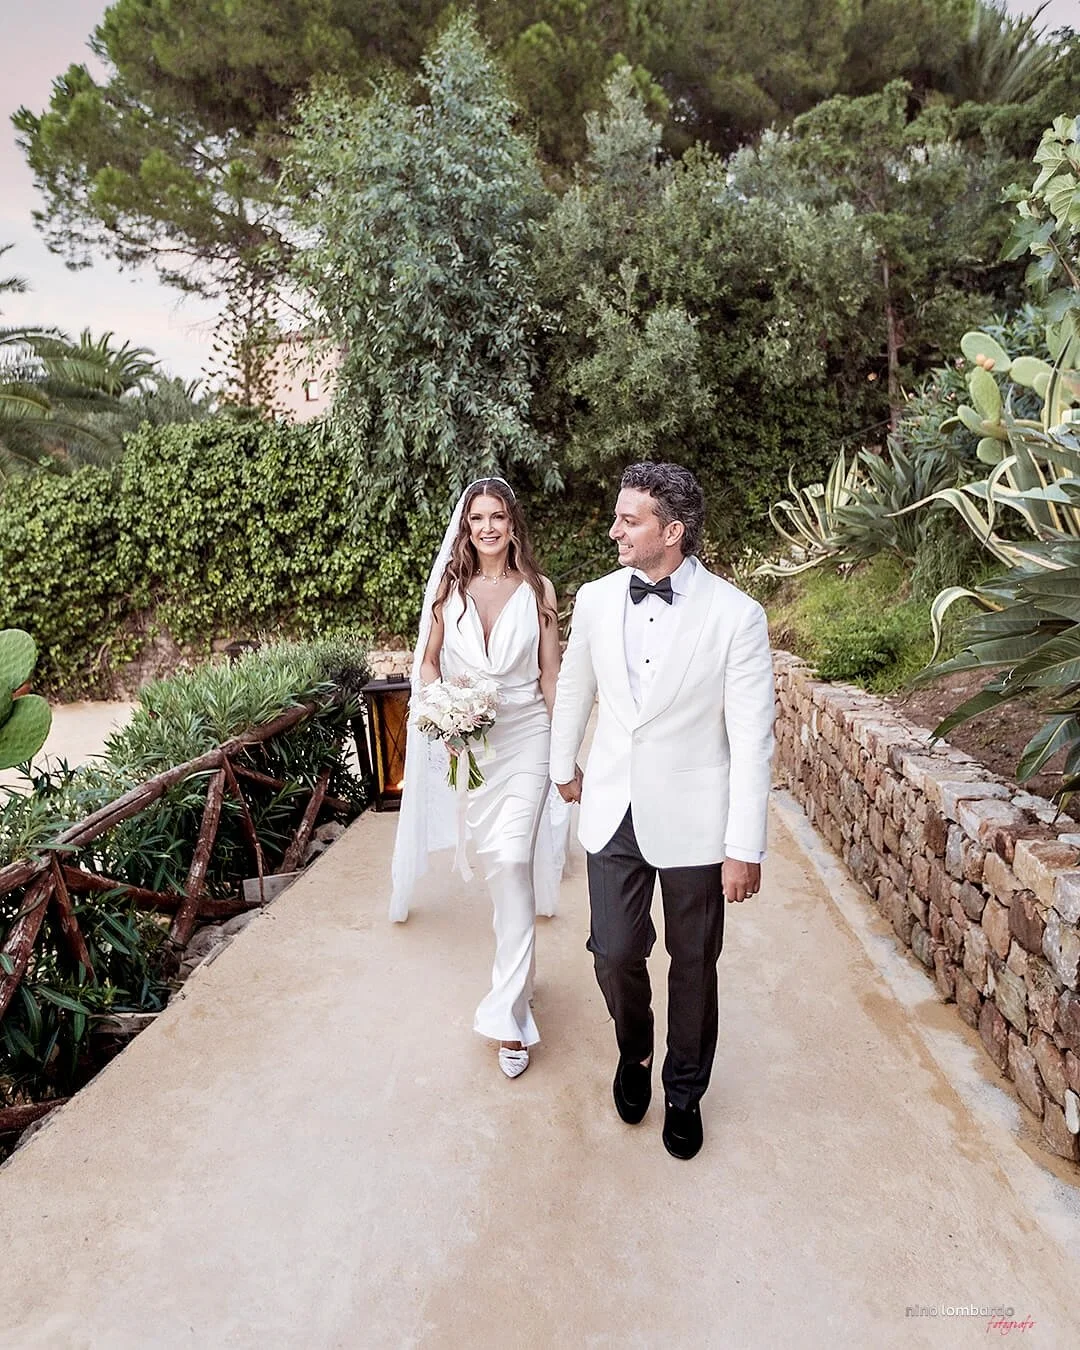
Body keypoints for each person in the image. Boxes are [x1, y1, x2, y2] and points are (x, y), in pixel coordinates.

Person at [549, 462, 775, 1158]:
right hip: (612, 806)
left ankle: (684, 1091)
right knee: (614, 952)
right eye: (617, 516)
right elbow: (575, 686)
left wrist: (745, 846)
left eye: (630, 519)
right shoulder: (592, 598)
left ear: (672, 532)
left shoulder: (737, 616)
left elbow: (752, 738)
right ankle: (634, 1052)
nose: (614, 529)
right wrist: (563, 766)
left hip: (697, 819)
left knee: (693, 964)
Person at [389, 478, 564, 1079]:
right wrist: (442, 708)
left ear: (513, 522)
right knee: (500, 869)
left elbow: (549, 676)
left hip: (528, 739)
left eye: (498, 516)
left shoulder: (539, 590)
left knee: (514, 858)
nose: (488, 527)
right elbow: (429, 662)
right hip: (475, 746)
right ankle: (521, 982)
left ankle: (507, 1020)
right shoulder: (450, 588)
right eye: (477, 518)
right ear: (465, 528)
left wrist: (565, 753)